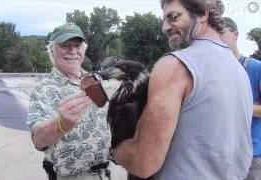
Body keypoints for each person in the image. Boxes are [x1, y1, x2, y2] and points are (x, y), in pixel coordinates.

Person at [110, 0, 253, 179]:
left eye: (173, 17)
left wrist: (115, 149)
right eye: (164, 19)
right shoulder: (239, 69)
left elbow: (144, 163)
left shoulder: (175, 65)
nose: (165, 27)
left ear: (203, 14)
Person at [27, 22, 112, 180]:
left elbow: (107, 126)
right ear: (52, 49)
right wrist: (61, 124)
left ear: (83, 49)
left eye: (77, 46)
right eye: (65, 45)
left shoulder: (94, 80)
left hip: (104, 174)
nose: (72, 51)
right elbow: (38, 140)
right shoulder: (43, 88)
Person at [220, 17, 261, 180]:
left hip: (252, 157)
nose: (217, 39)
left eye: (220, 33)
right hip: (218, 156)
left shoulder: (256, 67)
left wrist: (234, 105)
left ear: (235, 35)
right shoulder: (212, 70)